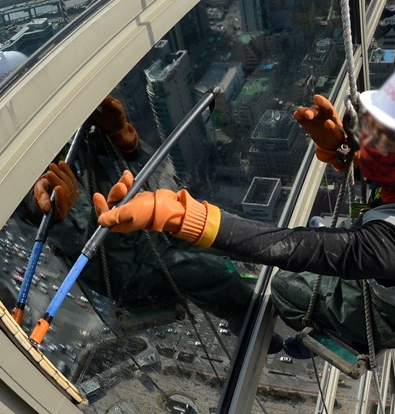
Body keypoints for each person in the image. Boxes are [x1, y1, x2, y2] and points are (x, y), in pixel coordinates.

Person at [90, 60, 395, 357]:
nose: (368, 143)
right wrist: (343, 151)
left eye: (388, 139)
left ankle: (298, 346)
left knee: (287, 287)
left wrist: (180, 216)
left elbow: (291, 247)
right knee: (322, 227)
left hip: (392, 317)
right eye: (372, 125)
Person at [23, 95, 255, 327]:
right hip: (121, 263)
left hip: (144, 226)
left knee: (226, 231)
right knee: (214, 276)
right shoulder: (22, 181)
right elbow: (37, 215)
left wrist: (121, 136)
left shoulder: (75, 136)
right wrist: (53, 213)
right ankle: (257, 325)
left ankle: (269, 268)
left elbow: (127, 162)